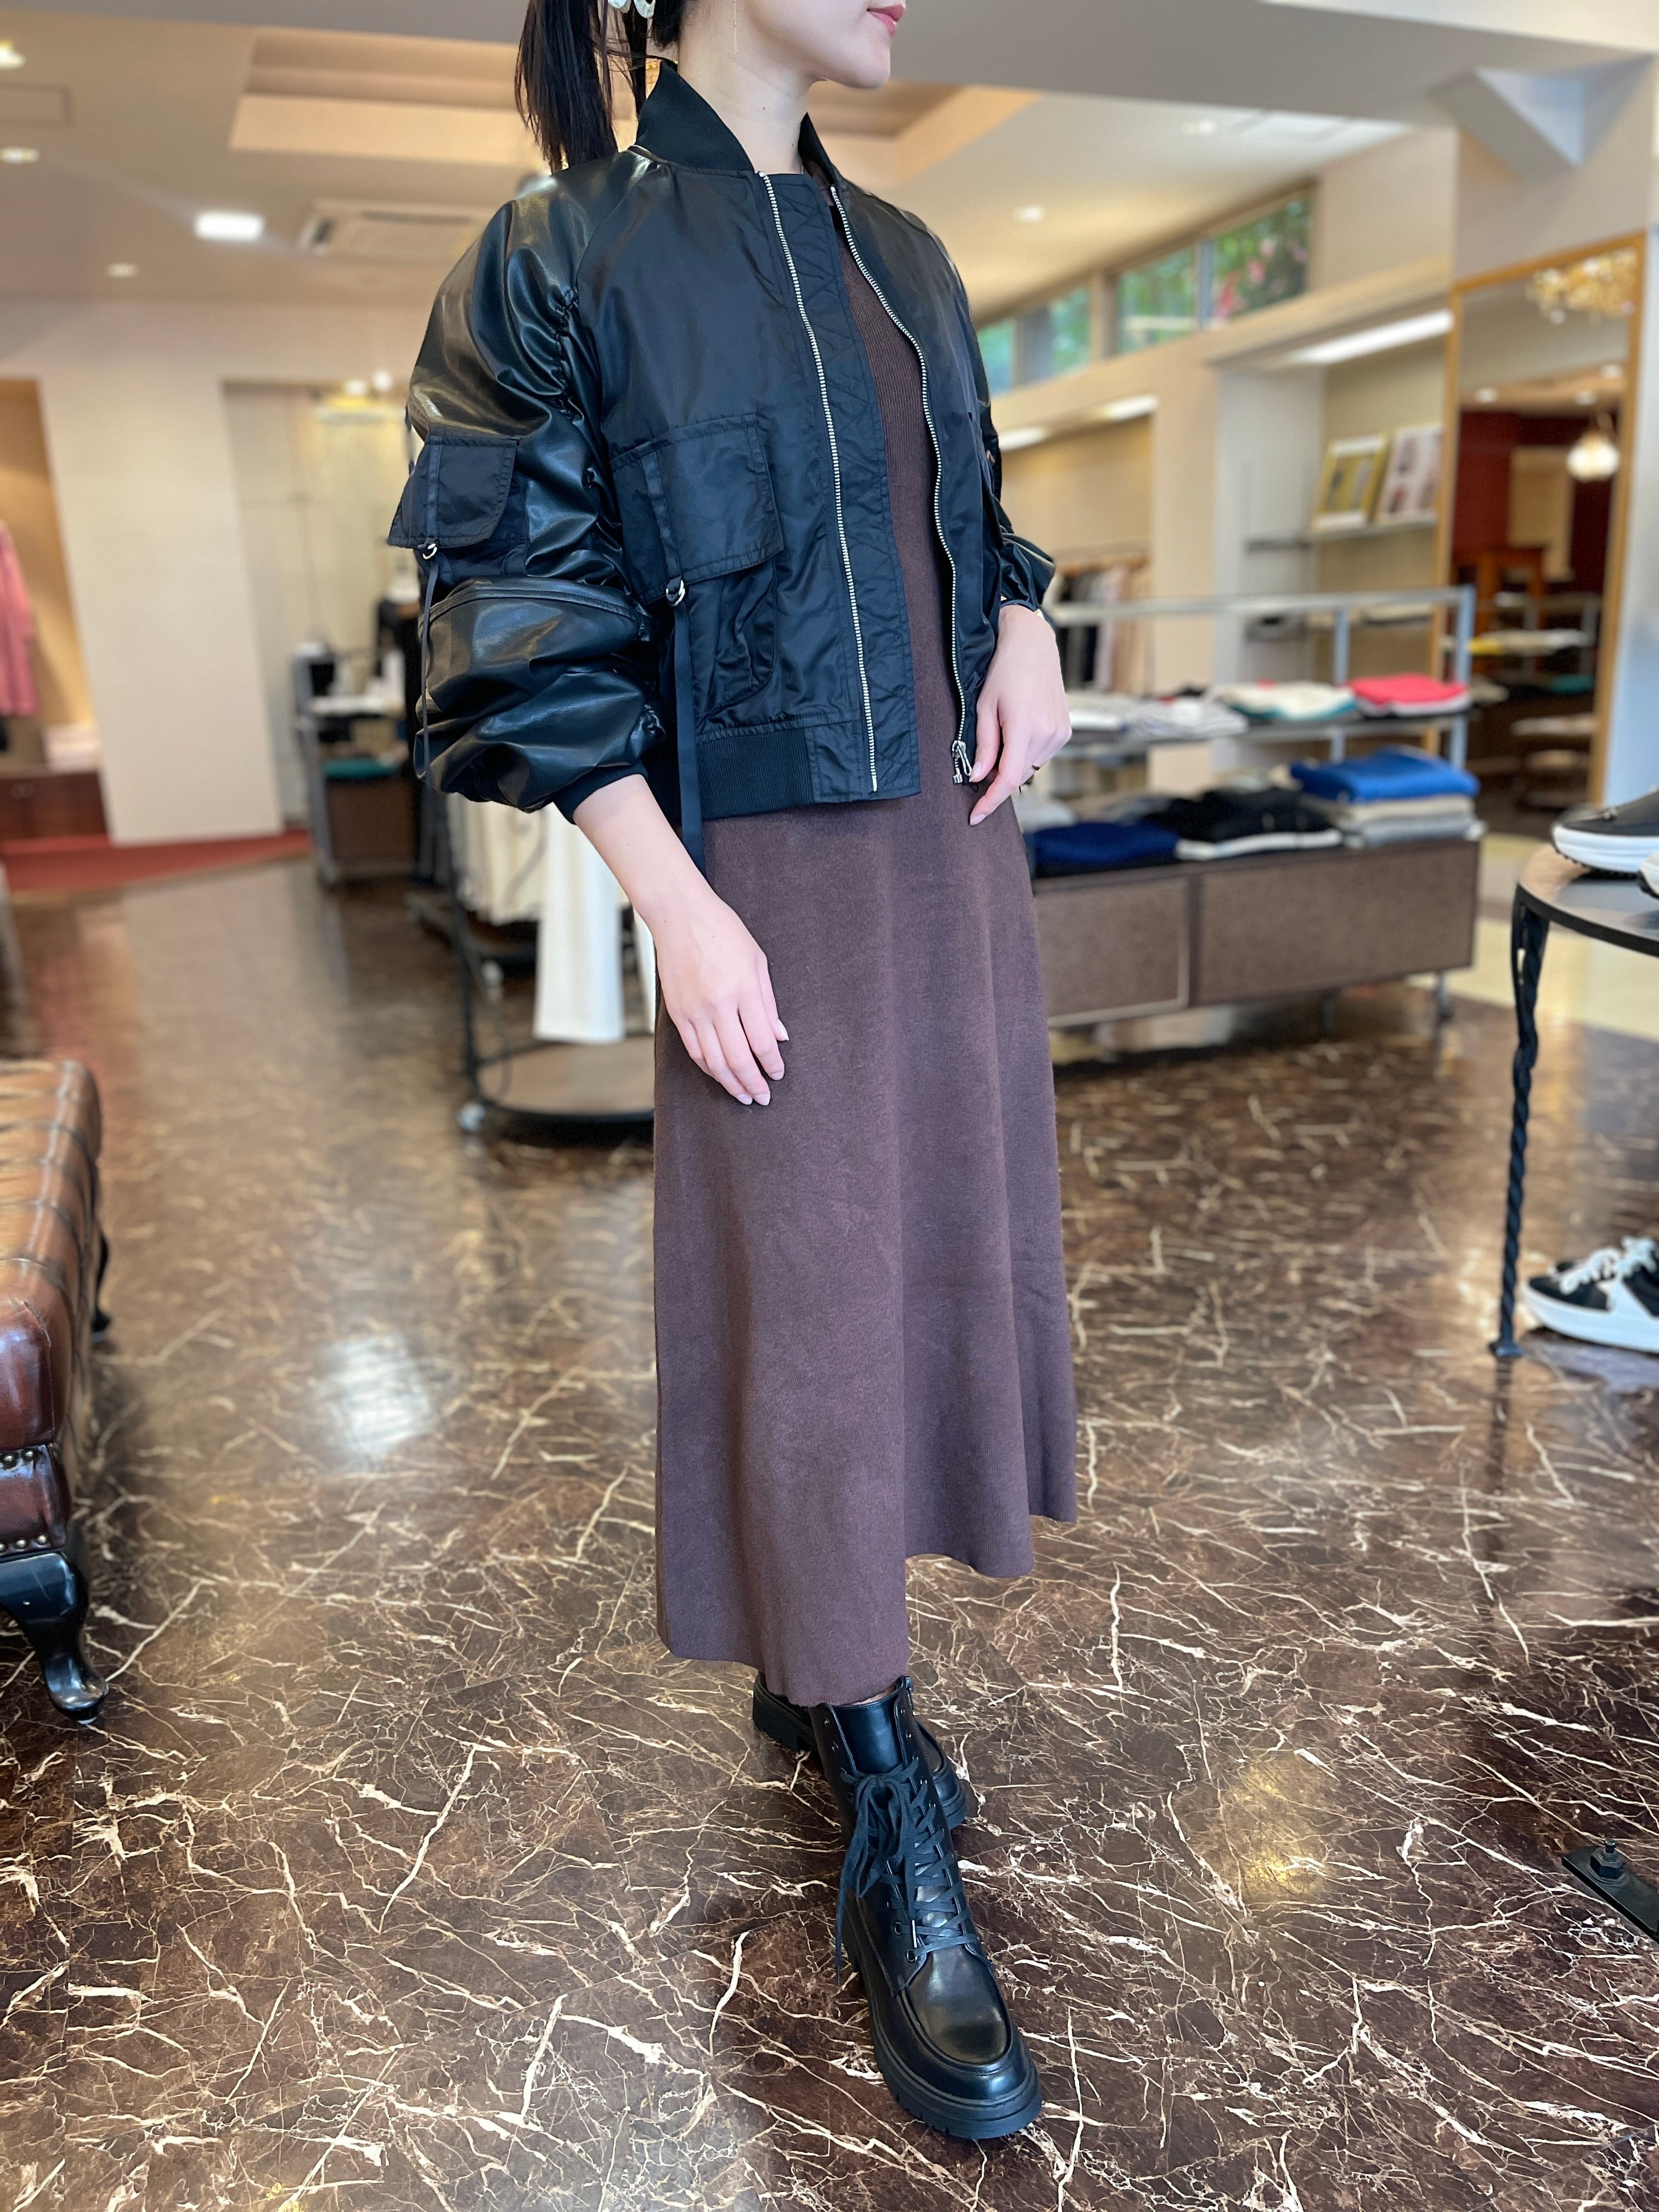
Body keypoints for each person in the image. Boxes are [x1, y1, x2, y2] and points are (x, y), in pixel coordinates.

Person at [393, 0, 1077, 2142]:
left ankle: (836, 1670)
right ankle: (876, 1774)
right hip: (761, 874)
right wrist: (672, 903)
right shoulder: (559, 252)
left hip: (955, 865)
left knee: (931, 1275)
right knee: (814, 1315)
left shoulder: (913, 253)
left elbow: (965, 514)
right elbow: (509, 604)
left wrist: (1034, 618)